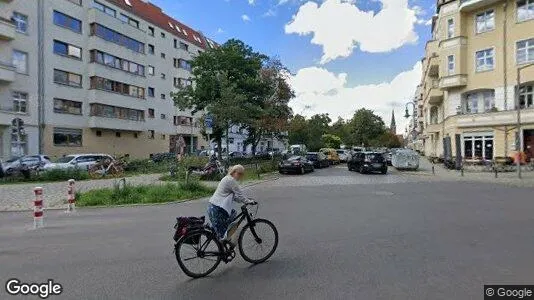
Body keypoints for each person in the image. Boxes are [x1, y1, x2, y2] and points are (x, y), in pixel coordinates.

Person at [207, 164, 254, 241]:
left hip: (214, 208)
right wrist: (248, 201)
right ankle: (224, 245)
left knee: (233, 215)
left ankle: (225, 244)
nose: (240, 176)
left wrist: (246, 200)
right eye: (239, 173)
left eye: (241, 174)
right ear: (234, 172)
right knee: (224, 236)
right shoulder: (231, 180)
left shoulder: (227, 179)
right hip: (217, 209)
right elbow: (240, 194)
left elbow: (236, 197)